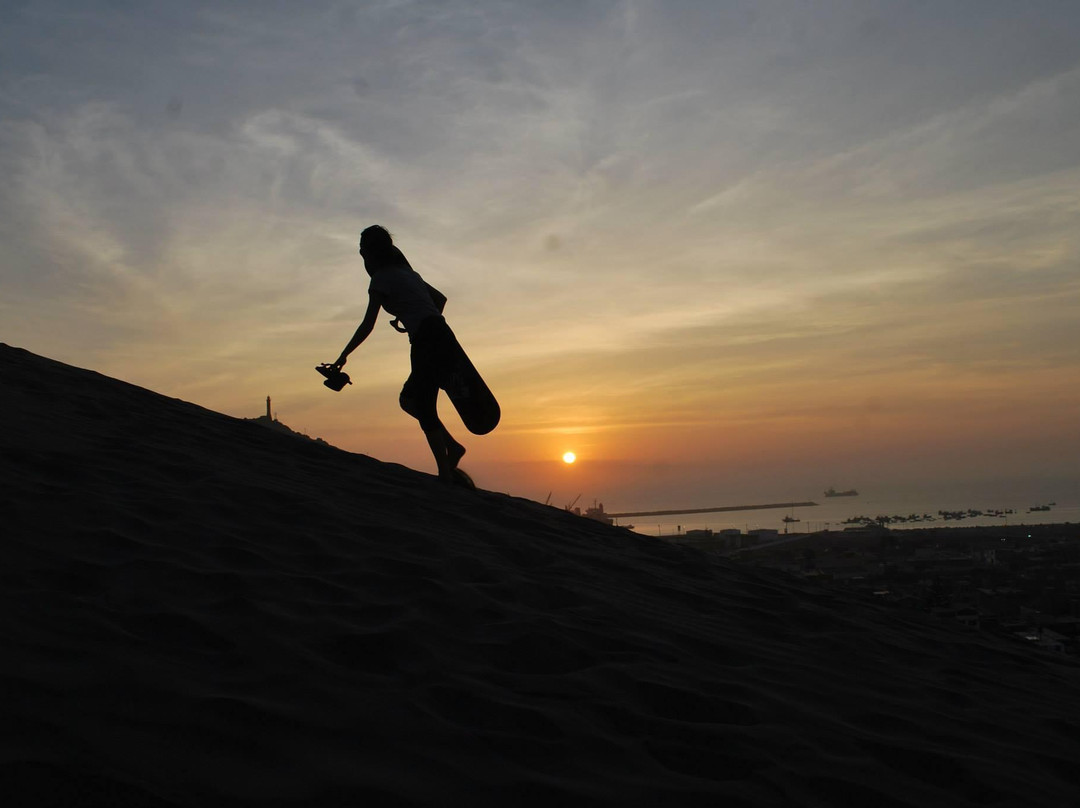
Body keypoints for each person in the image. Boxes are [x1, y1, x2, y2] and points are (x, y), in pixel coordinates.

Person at [329, 225, 468, 482]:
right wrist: (408, 315)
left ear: (371, 253)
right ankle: (452, 450)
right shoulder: (409, 274)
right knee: (411, 400)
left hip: (426, 341)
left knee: (420, 403)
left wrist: (343, 356)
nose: (361, 254)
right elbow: (440, 300)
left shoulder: (380, 279)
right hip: (443, 336)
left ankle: (445, 474)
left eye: (362, 249)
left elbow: (367, 324)